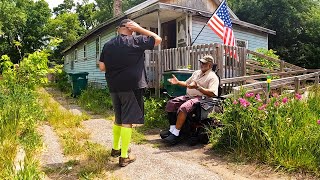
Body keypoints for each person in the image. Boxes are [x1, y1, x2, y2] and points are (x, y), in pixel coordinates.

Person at [99, 19, 162, 167]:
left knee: (119, 118)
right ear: (130, 27)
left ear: (118, 29)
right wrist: (140, 29)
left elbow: (102, 67)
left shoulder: (108, 44)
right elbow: (157, 39)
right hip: (131, 87)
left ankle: (115, 149)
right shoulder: (136, 40)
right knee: (128, 120)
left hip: (114, 86)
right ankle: (124, 156)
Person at [161, 55, 219, 145]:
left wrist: (198, 87)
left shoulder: (212, 77)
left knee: (184, 107)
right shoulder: (196, 73)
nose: (201, 64)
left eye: (204, 63)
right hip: (189, 96)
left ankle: (176, 134)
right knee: (171, 103)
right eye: (201, 62)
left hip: (202, 99)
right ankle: (172, 130)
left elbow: (212, 93)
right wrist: (178, 82)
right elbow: (187, 84)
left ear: (210, 65)